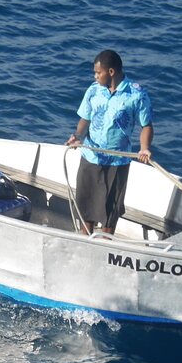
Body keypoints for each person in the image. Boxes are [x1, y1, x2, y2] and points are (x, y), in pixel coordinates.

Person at [65, 50, 153, 235]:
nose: (95, 76)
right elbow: (85, 119)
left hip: (117, 161)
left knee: (110, 213)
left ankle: (105, 245)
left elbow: (146, 125)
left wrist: (144, 148)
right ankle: (84, 241)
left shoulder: (137, 94)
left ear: (111, 72)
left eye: (98, 73)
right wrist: (77, 135)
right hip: (91, 156)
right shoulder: (93, 90)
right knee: (85, 210)